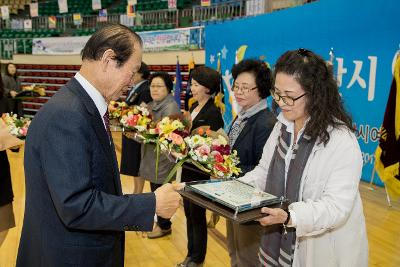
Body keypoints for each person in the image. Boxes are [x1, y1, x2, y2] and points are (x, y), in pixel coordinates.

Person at [16, 24, 181, 267]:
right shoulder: (68, 114)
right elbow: (76, 205)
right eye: (132, 71)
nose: (132, 80)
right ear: (108, 59)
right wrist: (151, 203)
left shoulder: (79, 106)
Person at [238, 49, 368, 266]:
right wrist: (232, 189)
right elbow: (263, 172)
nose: (281, 102)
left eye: (289, 96)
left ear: (315, 93)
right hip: (281, 241)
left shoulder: (340, 140)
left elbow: (337, 207)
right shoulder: (282, 126)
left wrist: (290, 216)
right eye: (277, 93)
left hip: (324, 251)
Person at [226, 59, 276, 267]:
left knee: (247, 258)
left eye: (245, 88)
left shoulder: (266, 123)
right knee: (234, 251)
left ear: (261, 89)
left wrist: (227, 170)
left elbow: (263, 170)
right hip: (232, 194)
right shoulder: (242, 116)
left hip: (250, 203)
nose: (238, 92)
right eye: (236, 86)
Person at [177, 66, 224, 267]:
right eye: (191, 83)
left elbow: (214, 144)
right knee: (189, 213)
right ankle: (190, 254)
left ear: (207, 88)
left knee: (197, 215)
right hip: (188, 169)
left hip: (201, 172)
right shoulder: (194, 107)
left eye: (195, 84)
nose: (191, 88)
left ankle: (198, 258)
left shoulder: (213, 113)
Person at [139, 71, 181, 239]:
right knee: (155, 190)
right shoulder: (151, 104)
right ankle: (160, 223)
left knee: (160, 191)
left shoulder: (170, 107)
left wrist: (144, 128)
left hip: (163, 159)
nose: (154, 89)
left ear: (168, 89)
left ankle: (164, 226)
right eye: (152, 86)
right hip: (152, 157)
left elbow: (166, 136)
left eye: (159, 86)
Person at [120, 62, 152, 194]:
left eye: (134, 73)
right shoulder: (136, 88)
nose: (132, 76)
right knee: (133, 164)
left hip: (137, 132)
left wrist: (123, 110)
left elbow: (140, 110)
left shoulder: (145, 89)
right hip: (130, 130)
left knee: (137, 164)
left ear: (141, 74)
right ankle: (136, 190)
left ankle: (138, 192)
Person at [0, 72, 16, 247]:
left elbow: (8, 126)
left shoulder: (3, 99)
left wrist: (15, 137)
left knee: (4, 223)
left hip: (1, 169)